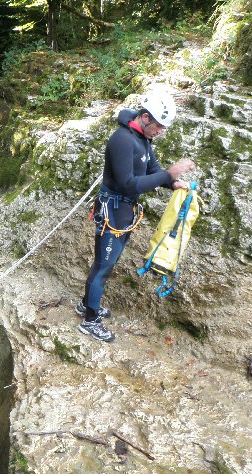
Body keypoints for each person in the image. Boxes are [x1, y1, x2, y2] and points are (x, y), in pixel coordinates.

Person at [76, 90, 195, 343]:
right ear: (144, 117)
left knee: (106, 263)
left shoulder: (142, 141)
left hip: (123, 211)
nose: (160, 131)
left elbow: (151, 170)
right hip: (112, 210)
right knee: (103, 266)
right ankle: (90, 320)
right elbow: (128, 183)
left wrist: (171, 183)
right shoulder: (122, 140)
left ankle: (87, 304)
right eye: (159, 126)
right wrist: (169, 174)